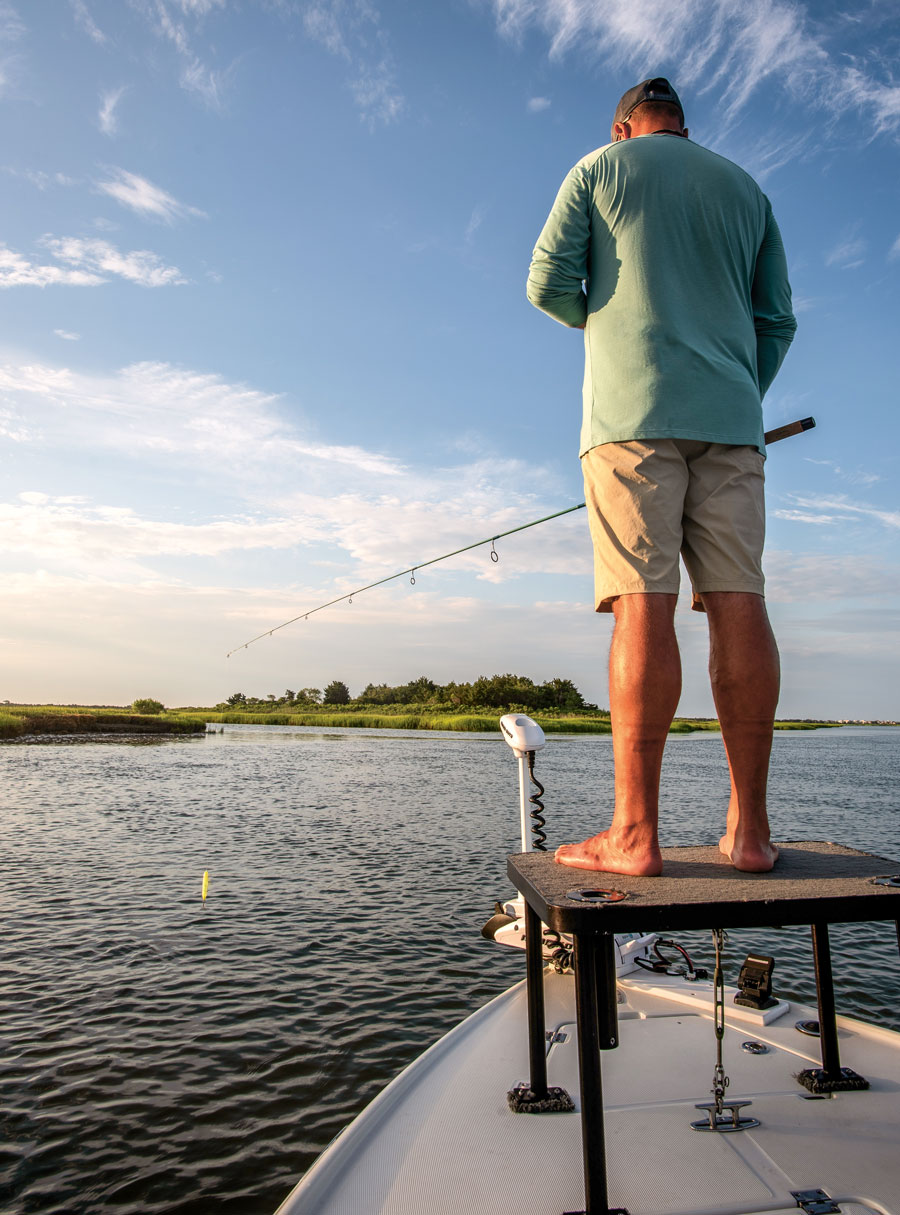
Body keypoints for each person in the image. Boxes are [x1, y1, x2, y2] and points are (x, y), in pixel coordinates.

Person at [526, 77, 797, 876]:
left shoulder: (599, 169)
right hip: (734, 422)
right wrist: (737, 392)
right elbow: (776, 320)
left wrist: (607, 322)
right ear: (684, 126)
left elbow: (545, 285)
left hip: (629, 418)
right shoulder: (746, 189)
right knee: (739, 601)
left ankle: (634, 835)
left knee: (643, 605)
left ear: (623, 127)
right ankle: (749, 834)